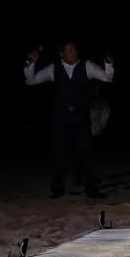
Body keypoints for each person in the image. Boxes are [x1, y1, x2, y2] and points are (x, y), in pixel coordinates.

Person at [25, 40, 113, 199]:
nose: (74, 52)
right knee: (59, 153)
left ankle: (91, 189)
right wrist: (30, 64)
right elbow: (30, 81)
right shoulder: (53, 69)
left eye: (74, 49)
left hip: (81, 116)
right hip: (61, 117)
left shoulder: (87, 66)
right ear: (62, 54)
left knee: (86, 153)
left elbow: (107, 78)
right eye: (70, 50)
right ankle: (57, 189)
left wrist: (108, 64)